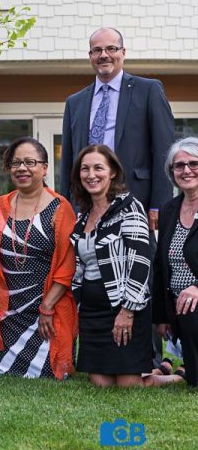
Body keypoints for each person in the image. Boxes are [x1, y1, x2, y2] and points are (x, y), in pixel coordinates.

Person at [0, 137, 77, 380]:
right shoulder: (0, 206)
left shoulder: (61, 208)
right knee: (6, 373)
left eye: (30, 162)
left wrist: (47, 307)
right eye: (16, 163)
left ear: (44, 168)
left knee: (51, 374)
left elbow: (67, 267)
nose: (22, 168)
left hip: (48, 310)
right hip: (10, 313)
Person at [69, 145, 182, 387]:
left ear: (112, 172)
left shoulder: (129, 208)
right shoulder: (81, 217)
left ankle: (171, 377)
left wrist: (127, 311)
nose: (91, 174)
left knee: (128, 385)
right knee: (101, 384)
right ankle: (159, 367)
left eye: (98, 168)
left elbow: (141, 262)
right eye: (85, 169)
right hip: (91, 312)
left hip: (124, 308)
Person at [60, 27, 174, 229]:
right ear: (90, 56)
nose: (104, 55)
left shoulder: (148, 90)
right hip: (85, 205)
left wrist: (159, 204)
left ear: (123, 52)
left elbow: (164, 150)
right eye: (97, 50)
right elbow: (68, 160)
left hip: (135, 199)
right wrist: (65, 206)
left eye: (111, 48)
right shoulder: (75, 102)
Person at [153, 137, 198, 387]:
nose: (187, 170)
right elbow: (160, 265)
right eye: (179, 166)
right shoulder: (168, 209)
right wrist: (161, 315)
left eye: (194, 163)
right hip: (179, 308)